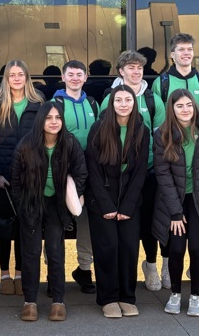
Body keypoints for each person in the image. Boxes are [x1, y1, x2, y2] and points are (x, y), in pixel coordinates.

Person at [153, 89, 199, 317]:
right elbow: (162, 174)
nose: (185, 110)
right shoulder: (163, 133)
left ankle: (195, 296)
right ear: (172, 109)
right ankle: (175, 294)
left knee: (197, 248)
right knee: (176, 248)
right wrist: (175, 213)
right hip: (173, 200)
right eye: (179, 106)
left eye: (188, 105)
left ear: (194, 106)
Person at [11, 102, 87, 322]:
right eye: (48, 118)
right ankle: (30, 301)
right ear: (40, 120)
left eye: (58, 118)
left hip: (57, 204)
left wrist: (71, 196)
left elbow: (81, 174)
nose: (54, 122)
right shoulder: (26, 144)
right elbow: (16, 179)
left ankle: (58, 301)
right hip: (32, 203)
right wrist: (22, 205)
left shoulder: (70, 143)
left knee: (55, 251)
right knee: (31, 253)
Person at [101, 50, 166, 293]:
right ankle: (117, 277)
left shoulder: (153, 99)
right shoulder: (110, 96)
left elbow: (161, 137)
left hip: (147, 171)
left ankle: (150, 265)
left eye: (139, 67)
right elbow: (103, 134)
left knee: (149, 221)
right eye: (131, 67)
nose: (136, 71)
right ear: (121, 71)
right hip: (115, 174)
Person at [85, 85, 149, 318]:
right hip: (101, 200)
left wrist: (127, 207)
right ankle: (108, 298)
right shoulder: (99, 128)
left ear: (134, 103)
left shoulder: (142, 130)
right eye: (118, 100)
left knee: (130, 248)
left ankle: (127, 297)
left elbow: (141, 171)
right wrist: (108, 206)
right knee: (107, 247)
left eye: (128, 100)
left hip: (130, 201)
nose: (123, 104)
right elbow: (92, 169)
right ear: (111, 104)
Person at [0, 60, 44, 295]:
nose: (16, 78)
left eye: (21, 74)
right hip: (4, 177)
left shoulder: (38, 103)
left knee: (23, 227)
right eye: (12, 75)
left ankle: (19, 273)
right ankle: (4, 274)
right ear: (6, 78)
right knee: (3, 228)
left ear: (27, 77)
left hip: (30, 177)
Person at [52, 60, 99, 294]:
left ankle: (84, 270)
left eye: (79, 74)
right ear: (63, 77)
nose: (75, 78)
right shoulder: (55, 103)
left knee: (86, 224)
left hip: (88, 173)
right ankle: (53, 275)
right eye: (70, 74)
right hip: (62, 172)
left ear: (86, 77)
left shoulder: (93, 103)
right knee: (56, 224)